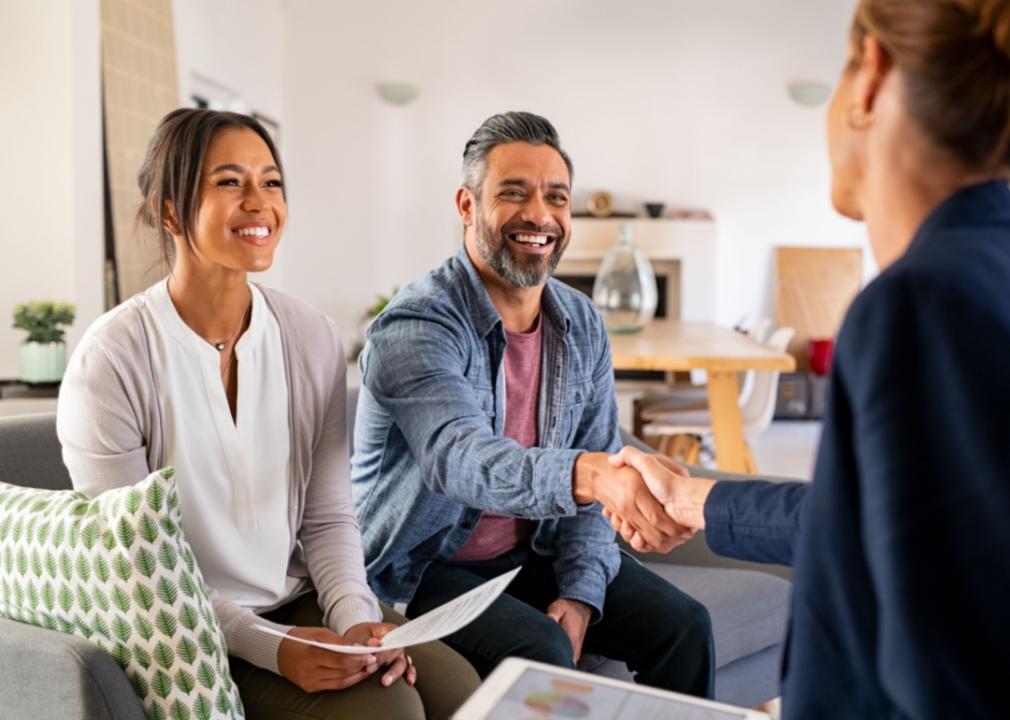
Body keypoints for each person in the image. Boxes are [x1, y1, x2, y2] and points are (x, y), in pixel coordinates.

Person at [602, 1, 1010, 717]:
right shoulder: (985, 270)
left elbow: (948, 669)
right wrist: (699, 498)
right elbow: (894, 523)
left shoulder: (921, 304)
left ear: (870, 77)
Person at [57, 108, 479, 720]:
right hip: (182, 629)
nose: (260, 203)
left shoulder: (309, 336)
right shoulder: (113, 359)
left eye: (272, 182)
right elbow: (135, 567)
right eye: (230, 182)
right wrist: (271, 649)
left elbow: (329, 516)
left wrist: (358, 620)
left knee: (459, 688)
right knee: (387, 713)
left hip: (294, 598)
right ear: (170, 211)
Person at [351, 111, 713, 698]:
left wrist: (579, 593)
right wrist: (590, 473)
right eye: (513, 194)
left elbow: (593, 486)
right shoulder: (417, 325)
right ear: (467, 206)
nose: (539, 216)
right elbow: (459, 459)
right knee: (538, 651)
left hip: (529, 551)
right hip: (422, 570)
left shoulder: (581, 322)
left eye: (556, 198)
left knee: (685, 627)